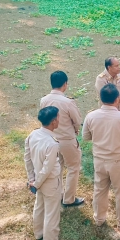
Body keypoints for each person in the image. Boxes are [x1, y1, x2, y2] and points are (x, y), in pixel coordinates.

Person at [82, 83, 120, 230]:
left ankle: (99, 218)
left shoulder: (91, 116)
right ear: (117, 99)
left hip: (100, 160)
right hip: (119, 161)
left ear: (101, 98)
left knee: (100, 190)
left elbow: (85, 137)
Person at [24, 106, 72, 240]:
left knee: (39, 206)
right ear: (53, 122)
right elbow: (48, 168)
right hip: (49, 182)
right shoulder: (52, 143)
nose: (59, 120)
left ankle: (39, 233)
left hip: (37, 180)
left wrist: (32, 179)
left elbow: (27, 159)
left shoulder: (33, 135)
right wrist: (36, 183)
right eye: (57, 118)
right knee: (52, 212)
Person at [40, 71, 84, 207]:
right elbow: (77, 120)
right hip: (67, 139)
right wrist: (76, 129)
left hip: (51, 139)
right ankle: (69, 198)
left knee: (57, 168)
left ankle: (57, 195)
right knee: (73, 168)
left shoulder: (44, 100)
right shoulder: (68, 102)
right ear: (65, 84)